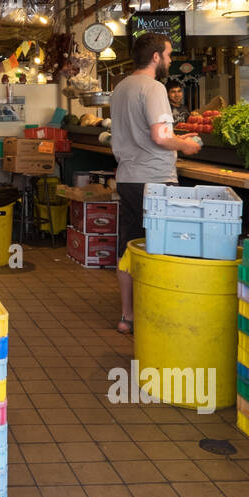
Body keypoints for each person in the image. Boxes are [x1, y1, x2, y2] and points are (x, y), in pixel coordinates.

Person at [110, 33, 202, 335]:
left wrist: (178, 138)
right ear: (155, 57)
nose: (171, 59)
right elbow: (160, 137)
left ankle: (127, 317)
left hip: (128, 178)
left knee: (129, 246)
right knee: (161, 248)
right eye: (169, 54)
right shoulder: (153, 88)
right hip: (155, 181)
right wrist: (185, 146)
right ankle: (158, 316)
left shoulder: (121, 87)